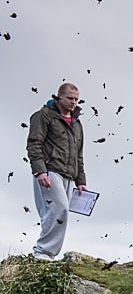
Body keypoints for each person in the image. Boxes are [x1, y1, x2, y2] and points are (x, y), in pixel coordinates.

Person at [26, 83, 87, 261]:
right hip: (49, 170)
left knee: (56, 212)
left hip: (69, 174)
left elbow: (79, 154)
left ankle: (46, 254)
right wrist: (39, 171)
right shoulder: (43, 116)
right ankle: (43, 252)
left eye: (76, 99)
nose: (73, 102)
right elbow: (34, 143)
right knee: (58, 208)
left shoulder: (77, 124)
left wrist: (80, 180)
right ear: (59, 96)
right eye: (70, 98)